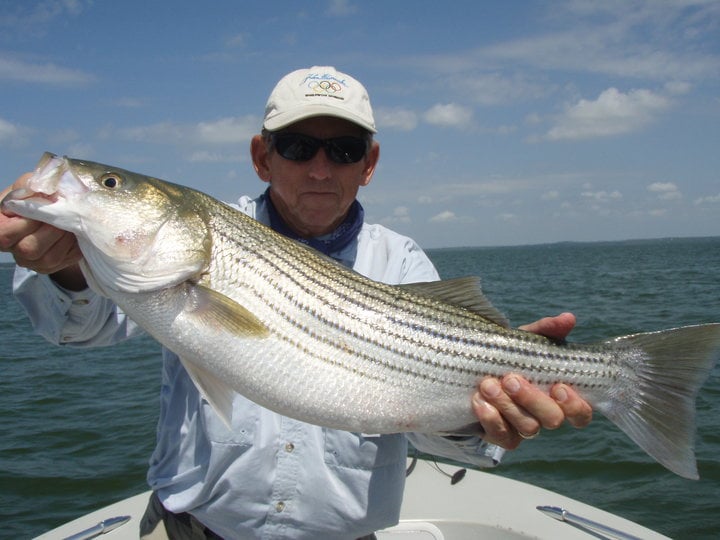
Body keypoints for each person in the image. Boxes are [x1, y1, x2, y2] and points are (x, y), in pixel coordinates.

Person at [0, 66, 592, 539]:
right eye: (298, 145)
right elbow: (78, 327)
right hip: (192, 529)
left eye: (343, 150)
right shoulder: (183, 251)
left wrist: (481, 422)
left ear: (370, 165)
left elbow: (423, 427)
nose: (318, 168)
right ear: (262, 156)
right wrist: (68, 269)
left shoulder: (403, 261)